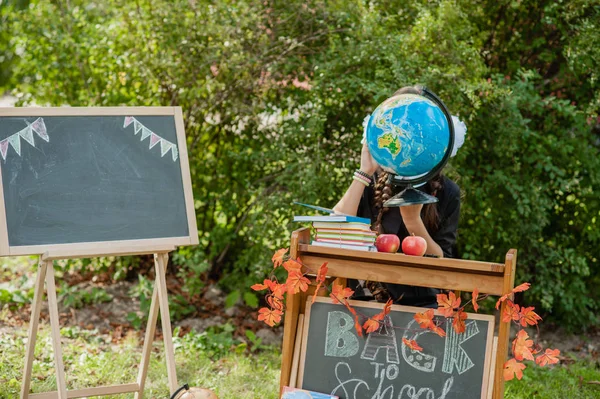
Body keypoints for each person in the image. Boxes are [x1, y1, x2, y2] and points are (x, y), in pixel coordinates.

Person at [332, 86, 465, 307]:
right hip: (362, 301)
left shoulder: (447, 192)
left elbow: (442, 264)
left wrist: (413, 221)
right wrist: (364, 172)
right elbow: (335, 230)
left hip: (421, 307)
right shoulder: (372, 179)